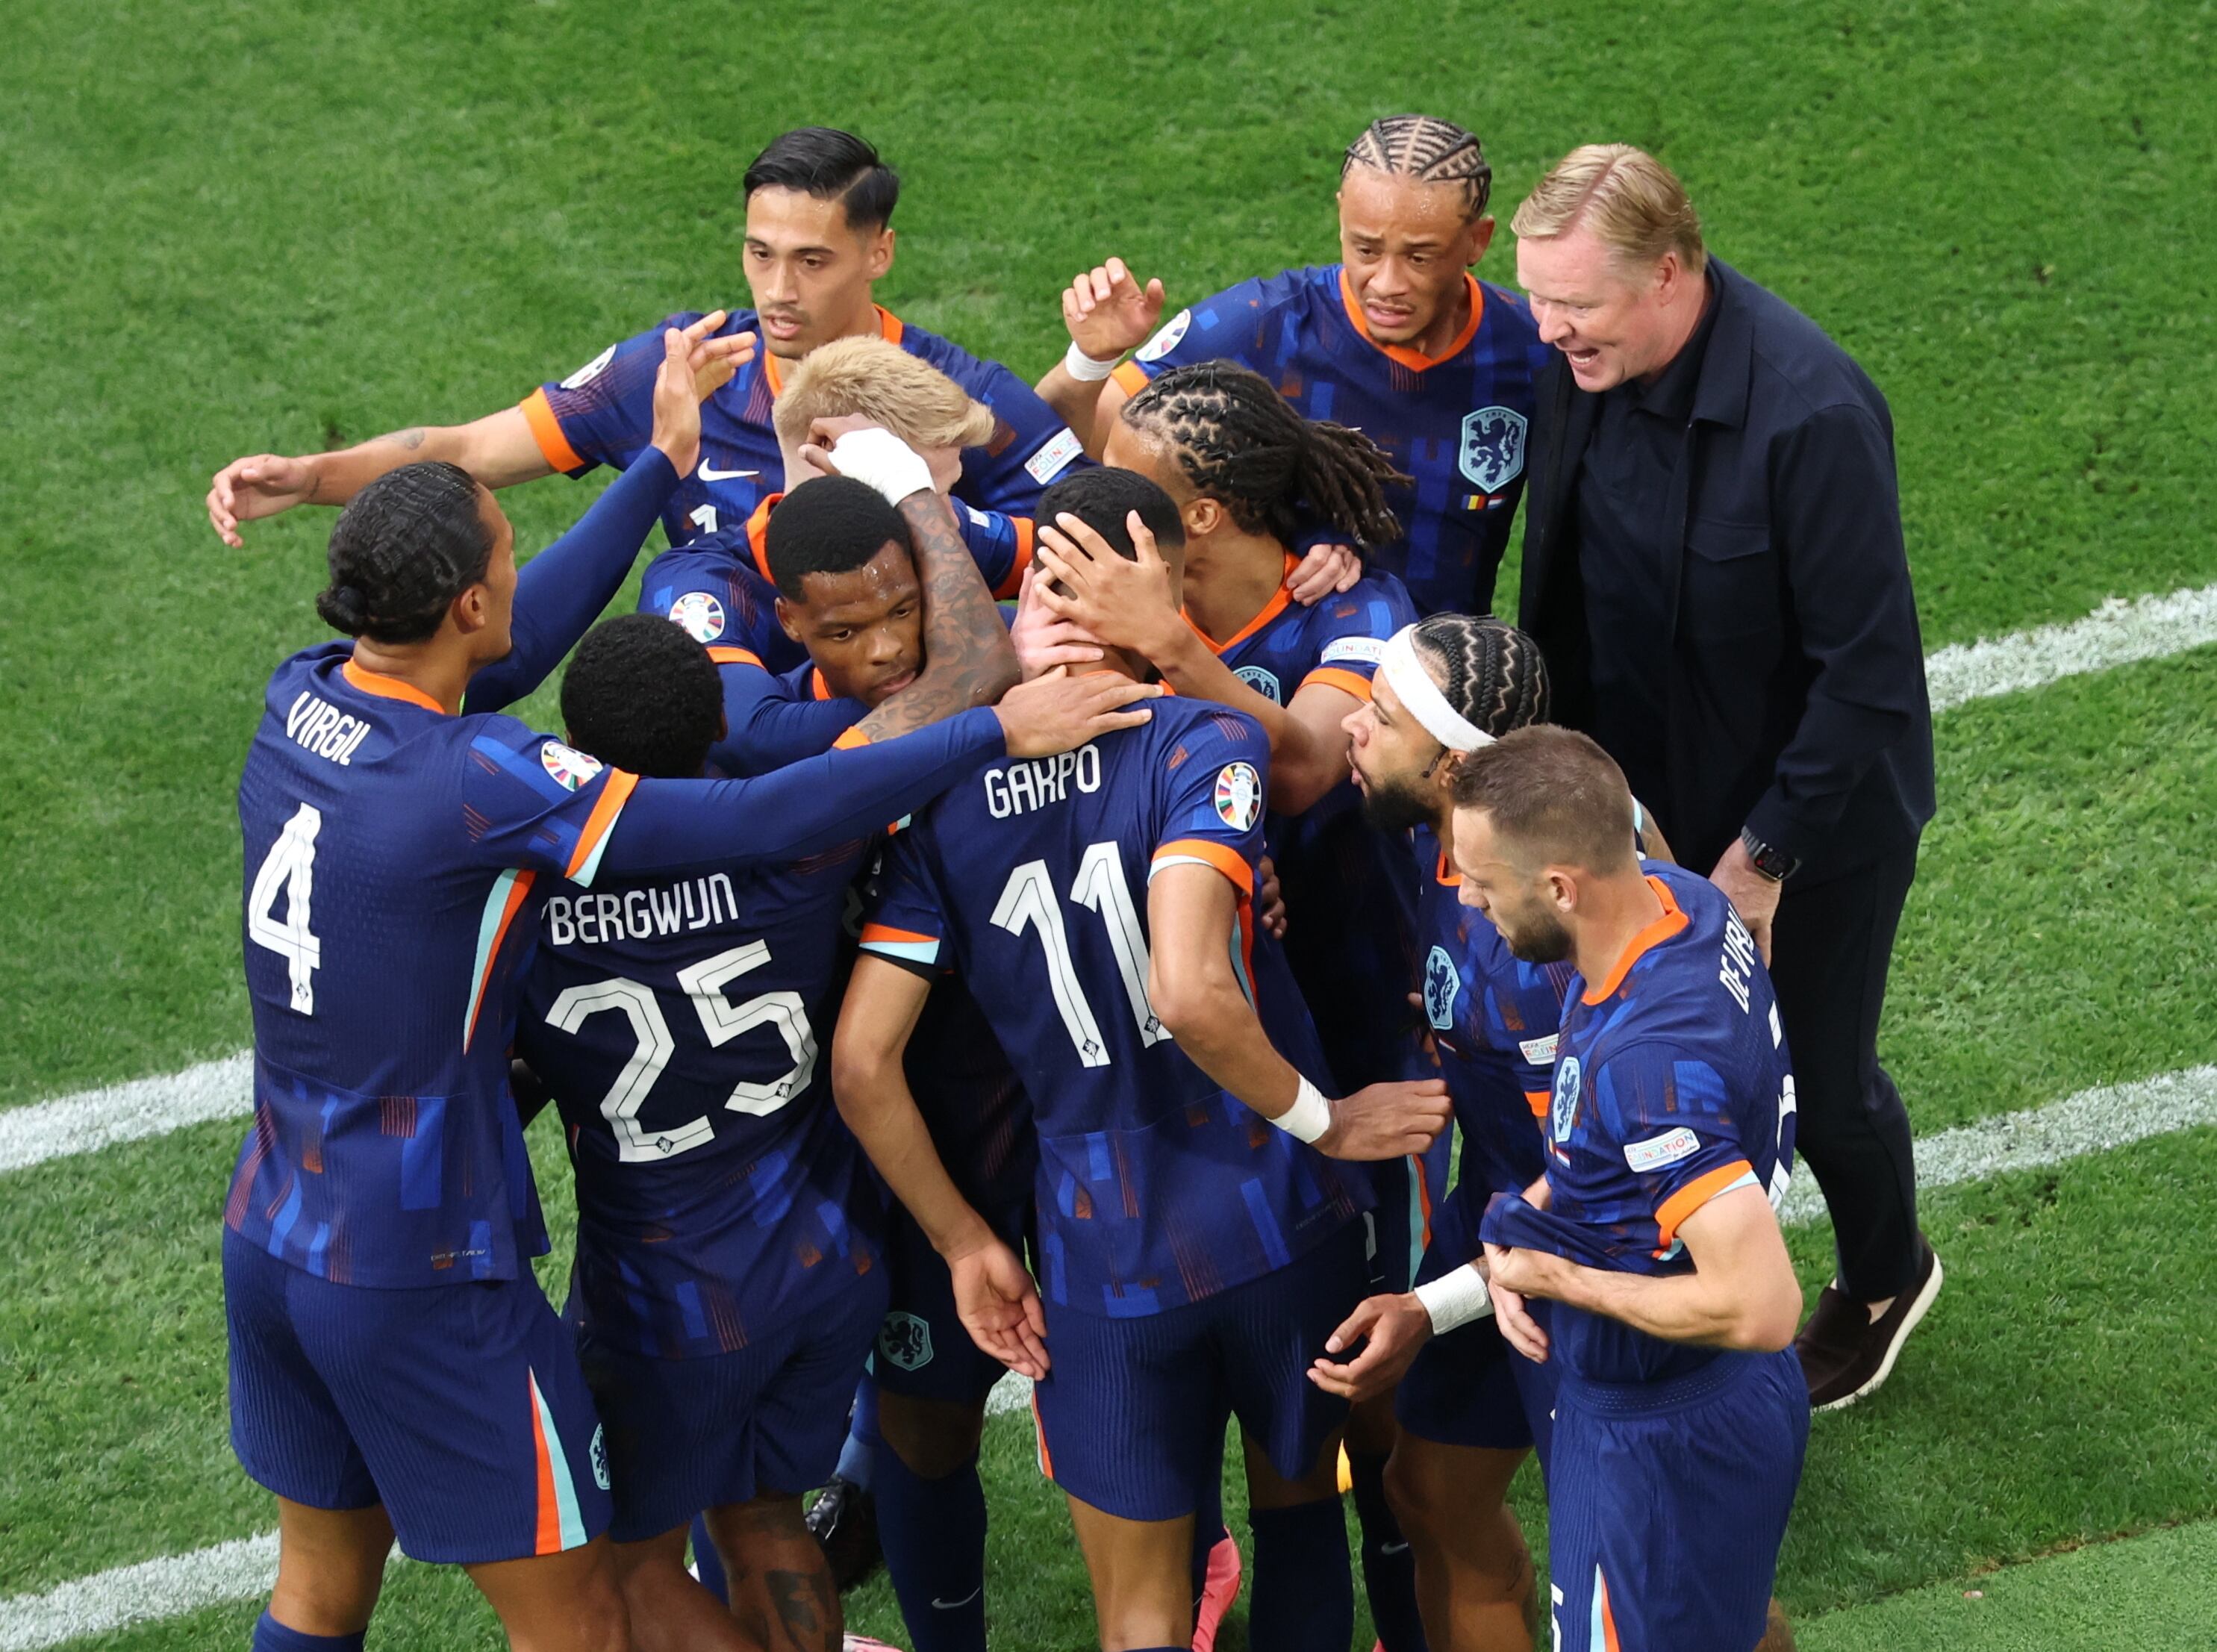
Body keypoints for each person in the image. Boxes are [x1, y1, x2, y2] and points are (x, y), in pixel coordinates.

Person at [221, 328, 1153, 1652]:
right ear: (471, 607)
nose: (516, 578)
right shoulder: (490, 788)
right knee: (592, 1612)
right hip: (427, 1256)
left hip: (277, 1221)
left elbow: (528, 635)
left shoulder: (297, 694)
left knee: (317, 1593)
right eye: (502, 554)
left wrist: (662, 465)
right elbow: (765, 811)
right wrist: (991, 724)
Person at [830, 486, 1452, 1652]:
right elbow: (1191, 985)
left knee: (1144, 1614)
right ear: (1163, 594)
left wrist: (967, 1244)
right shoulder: (1210, 740)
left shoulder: (939, 801)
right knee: (1300, 1523)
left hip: (1097, 1253)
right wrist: (1328, 1122)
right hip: (1274, 1210)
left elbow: (863, 1065)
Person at [511, 438, 1026, 1651]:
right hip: (822, 1256)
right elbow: (928, 720)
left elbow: (503, 1072)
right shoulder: (805, 842)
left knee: (625, 1574)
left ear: (579, 750)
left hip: (662, 1289)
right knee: (761, 1517)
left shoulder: (531, 904)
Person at [1509, 143, 1939, 1407]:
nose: (1549, 329)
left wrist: (1758, 863)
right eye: (1540, 300)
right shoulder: (1585, 359)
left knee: (1819, 1063)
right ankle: (1654, 1268)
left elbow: (1870, 675)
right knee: (1633, 1044)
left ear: (1672, 275)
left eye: (1575, 305)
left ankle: (1882, 1275)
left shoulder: (1814, 414)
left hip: (1807, 823)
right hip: (1643, 800)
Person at [1022, 364, 1438, 1649]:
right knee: (1246, 1392)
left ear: (1198, 516)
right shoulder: (1114, 610)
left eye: (1127, 466)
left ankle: (1407, 1608)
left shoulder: (1354, 604)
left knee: (1363, 1393)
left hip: (1361, 1045)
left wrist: (1175, 647)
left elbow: (1308, 764)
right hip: (1216, 1077)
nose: (1096, 478)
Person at [1347, 726, 1804, 1651]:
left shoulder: (1648, 1068)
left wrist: (1560, 1280)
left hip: (1665, 1424)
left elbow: (1763, 1304)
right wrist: (1514, 1256)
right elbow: (1610, 1156)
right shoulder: (1678, 903)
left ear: (1560, 886)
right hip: (1688, 1402)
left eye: (1478, 879)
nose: (1465, 897)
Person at [204, 126, 1079, 599]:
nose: (778, 289)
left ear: (878, 253)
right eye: (759, 252)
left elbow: (1097, 540)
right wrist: (312, 475)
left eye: (812, 261)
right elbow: (472, 452)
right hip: (723, 750)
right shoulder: (674, 370)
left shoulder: (950, 392)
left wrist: (947, 528)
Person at [1301, 615, 1559, 1651]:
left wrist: (1432, 1303)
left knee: (1652, 1583)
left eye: (1380, 717)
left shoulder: (1537, 944)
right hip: (1494, 1209)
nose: (1352, 733)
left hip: (1589, 1264)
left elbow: (1594, 1192)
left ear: (1451, 762)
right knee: (1429, 1490)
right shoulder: (1462, 825)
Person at [1035, 113, 1553, 618]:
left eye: (1420, 258)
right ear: (1341, 218)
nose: (1387, 283)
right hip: (1282, 669)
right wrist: (1090, 360)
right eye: (1366, 248)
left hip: (1446, 676)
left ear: (1477, 241)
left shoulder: (1536, 349)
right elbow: (1086, 440)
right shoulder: (1260, 326)